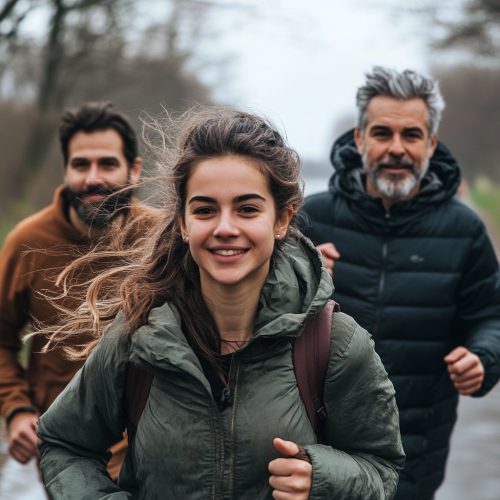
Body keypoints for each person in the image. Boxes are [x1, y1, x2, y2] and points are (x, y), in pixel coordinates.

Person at [35, 107, 405, 499]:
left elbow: (380, 466)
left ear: (282, 219)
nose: (225, 228)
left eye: (247, 209)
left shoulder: (334, 344)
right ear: (183, 222)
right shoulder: (136, 336)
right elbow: (64, 444)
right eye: (205, 210)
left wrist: (323, 478)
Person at [302, 67, 500, 500]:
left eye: (411, 135)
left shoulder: (464, 229)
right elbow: (254, 315)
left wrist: (485, 358)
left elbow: (490, 314)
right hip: (315, 444)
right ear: (359, 139)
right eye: (382, 133)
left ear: (430, 144)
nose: (396, 148)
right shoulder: (309, 219)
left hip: (416, 451)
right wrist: (304, 281)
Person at [0, 102, 157, 479]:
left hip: (153, 448)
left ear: (133, 169)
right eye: (80, 165)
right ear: (66, 169)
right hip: (65, 450)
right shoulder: (28, 242)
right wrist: (17, 410)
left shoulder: (163, 238)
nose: (92, 178)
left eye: (107, 164)